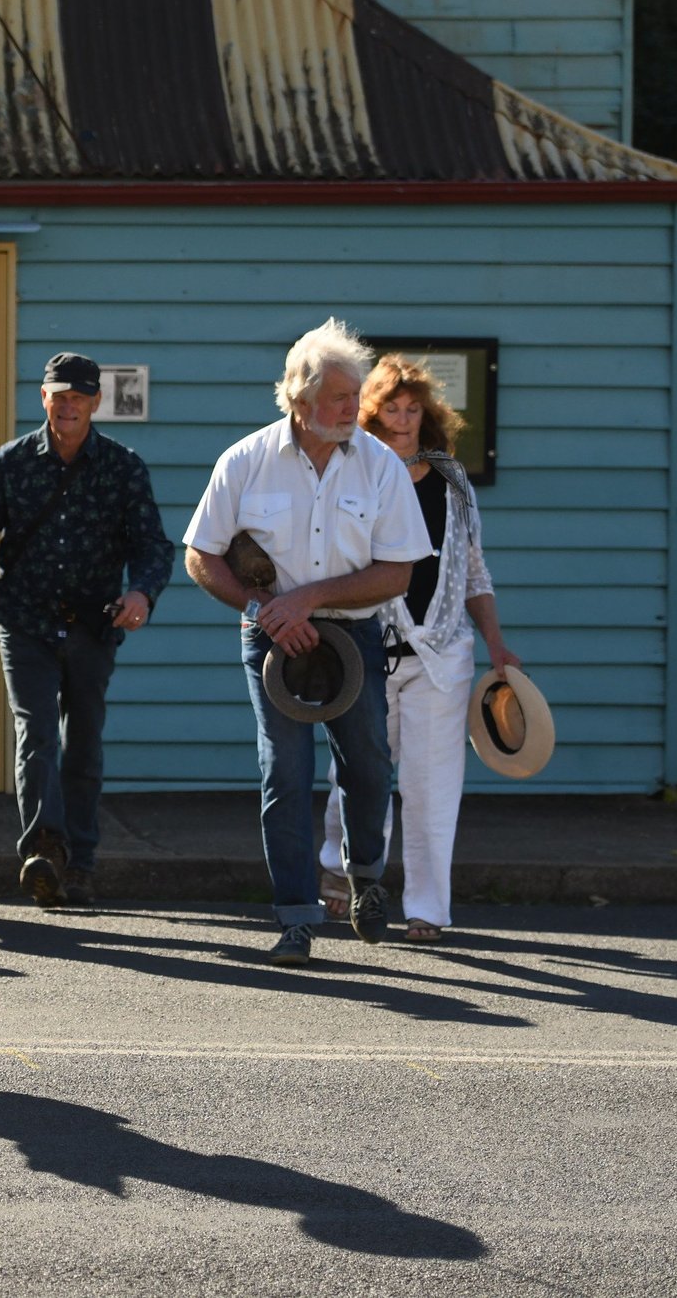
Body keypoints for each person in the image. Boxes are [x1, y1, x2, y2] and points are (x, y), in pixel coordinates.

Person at [180, 319, 429, 966]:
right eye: (340, 398)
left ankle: (365, 877)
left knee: (368, 761)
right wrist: (267, 609)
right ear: (299, 398)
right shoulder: (246, 460)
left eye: (355, 395)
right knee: (283, 774)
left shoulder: (380, 467)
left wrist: (310, 599)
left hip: (353, 633)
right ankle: (296, 915)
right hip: (270, 639)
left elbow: (398, 570)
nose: (353, 409)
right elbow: (201, 554)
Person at [0, 352, 173, 909]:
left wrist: (142, 592)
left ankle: (82, 861)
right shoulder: (12, 463)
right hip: (26, 622)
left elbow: (153, 547)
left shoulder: (122, 467)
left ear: (94, 403)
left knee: (83, 742)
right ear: (43, 399)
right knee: (37, 732)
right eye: (58, 396)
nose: (67, 406)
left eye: (78, 397)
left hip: (95, 623)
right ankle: (44, 850)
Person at [317, 356, 520, 944]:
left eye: (413, 410)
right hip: (367, 649)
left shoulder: (452, 478)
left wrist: (496, 643)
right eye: (391, 409)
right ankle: (341, 871)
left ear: (427, 415)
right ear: (371, 413)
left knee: (433, 787)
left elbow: (473, 567)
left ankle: (427, 910)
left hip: (443, 654)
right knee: (359, 773)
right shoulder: (357, 470)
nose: (403, 420)